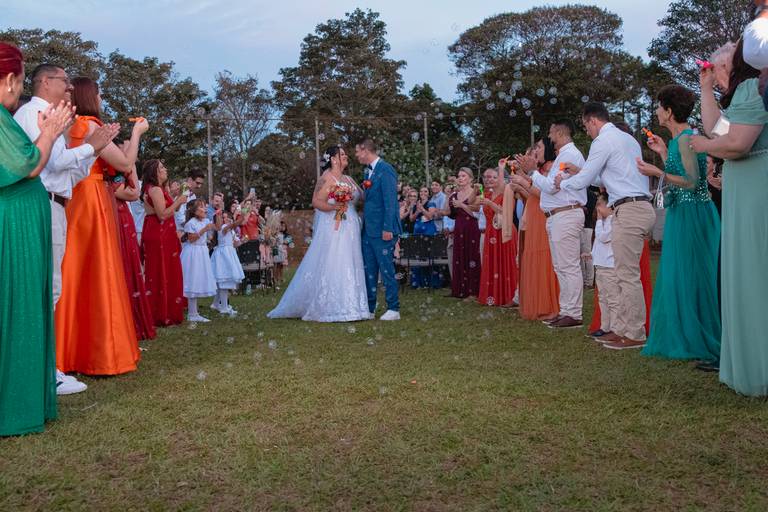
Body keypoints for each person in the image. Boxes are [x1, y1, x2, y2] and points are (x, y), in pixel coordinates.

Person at [14, 63, 117, 394]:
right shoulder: (35, 114)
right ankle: (45, 372)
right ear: (45, 83)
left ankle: (47, 367)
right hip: (43, 203)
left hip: (56, 201)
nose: (70, 88)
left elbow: (68, 173)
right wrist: (91, 146)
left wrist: (94, 149)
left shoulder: (50, 116)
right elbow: (53, 164)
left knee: (51, 287)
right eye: (65, 82)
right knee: (47, 287)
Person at [0, 42, 75, 435]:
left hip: (21, 217)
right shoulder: (3, 117)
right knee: (21, 303)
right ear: (11, 79)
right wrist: (49, 132)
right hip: (13, 223)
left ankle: (28, 390)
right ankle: (15, 402)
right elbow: (29, 165)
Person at [690, 41, 768, 396]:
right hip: (745, 189)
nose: (719, 81)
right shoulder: (744, 94)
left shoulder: (752, 88)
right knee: (743, 270)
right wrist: (704, 87)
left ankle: (758, 366)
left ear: (733, 66)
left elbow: (735, 144)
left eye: (719, 72)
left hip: (756, 190)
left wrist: (705, 148)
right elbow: (717, 128)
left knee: (755, 271)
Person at [55, 77, 144, 376]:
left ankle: (65, 351)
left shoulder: (69, 126)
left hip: (73, 198)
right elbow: (124, 163)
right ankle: (99, 352)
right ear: (90, 96)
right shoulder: (90, 126)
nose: (102, 97)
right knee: (97, 270)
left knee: (72, 271)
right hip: (92, 200)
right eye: (100, 93)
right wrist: (137, 134)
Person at [556, 102, 655, 349]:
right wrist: (582, 172)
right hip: (636, 205)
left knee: (626, 275)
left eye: (586, 126)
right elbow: (609, 177)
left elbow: (586, 180)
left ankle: (634, 333)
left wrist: (563, 184)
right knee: (623, 273)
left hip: (629, 208)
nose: (587, 132)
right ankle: (620, 328)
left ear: (592, 121)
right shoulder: (627, 139)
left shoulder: (602, 141)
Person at [636, 84, 721, 363]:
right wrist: (662, 153)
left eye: (660, 106)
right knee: (683, 274)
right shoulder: (678, 140)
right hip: (684, 213)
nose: (657, 111)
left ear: (669, 111)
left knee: (694, 275)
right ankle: (685, 332)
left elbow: (691, 181)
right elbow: (682, 171)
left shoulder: (686, 138)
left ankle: (698, 336)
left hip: (694, 215)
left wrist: (657, 171)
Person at [268, 146, 370, 321]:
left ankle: (354, 306)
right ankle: (332, 306)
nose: (346, 156)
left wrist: (369, 185)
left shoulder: (349, 179)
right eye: (342, 154)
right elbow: (316, 201)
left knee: (350, 261)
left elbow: (362, 196)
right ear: (333, 159)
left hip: (351, 227)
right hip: (334, 228)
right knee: (336, 260)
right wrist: (334, 207)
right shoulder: (326, 178)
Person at [525, 119, 587, 328]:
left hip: (566, 214)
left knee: (568, 266)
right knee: (561, 266)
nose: (549, 138)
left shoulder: (569, 154)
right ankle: (566, 310)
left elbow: (551, 187)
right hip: (556, 215)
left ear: (559, 133)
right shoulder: (564, 155)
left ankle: (574, 313)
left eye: (551, 133)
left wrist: (532, 171)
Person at [509, 140, 560, 321]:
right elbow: (532, 193)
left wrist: (523, 180)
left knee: (545, 259)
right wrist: (521, 182)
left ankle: (548, 305)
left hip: (543, 216)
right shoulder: (539, 171)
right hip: (532, 215)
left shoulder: (553, 167)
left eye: (539, 147)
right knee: (532, 258)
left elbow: (545, 193)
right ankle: (537, 303)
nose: (536, 150)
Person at [356, 139, 402, 320]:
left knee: (386, 269)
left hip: (383, 229)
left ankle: (394, 308)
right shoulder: (368, 172)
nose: (356, 155)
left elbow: (390, 201)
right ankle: (370, 307)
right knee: (369, 270)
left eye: (358, 152)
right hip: (368, 230)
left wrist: (388, 227)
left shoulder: (386, 170)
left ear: (366, 150)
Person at [112, 159, 156, 341]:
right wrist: (129, 165)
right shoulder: (115, 172)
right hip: (119, 219)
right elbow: (133, 193)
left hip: (126, 220)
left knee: (133, 271)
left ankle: (131, 317)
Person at [142, 159, 187, 326]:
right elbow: (162, 214)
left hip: (163, 233)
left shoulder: (159, 189)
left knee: (166, 272)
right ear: (155, 172)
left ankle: (166, 311)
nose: (165, 169)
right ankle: (161, 314)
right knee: (160, 273)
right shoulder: (154, 190)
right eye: (161, 167)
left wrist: (174, 195)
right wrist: (178, 201)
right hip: (158, 233)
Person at [477, 167, 517, 307]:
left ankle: (508, 295)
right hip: (490, 232)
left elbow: (506, 211)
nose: (490, 180)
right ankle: (493, 294)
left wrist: (490, 204)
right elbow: (472, 205)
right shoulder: (486, 194)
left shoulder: (508, 192)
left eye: (494, 177)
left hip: (503, 230)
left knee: (505, 262)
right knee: (492, 262)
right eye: (487, 177)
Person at [441, 167, 481, 299]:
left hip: (472, 228)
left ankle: (473, 291)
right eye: (459, 176)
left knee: (472, 257)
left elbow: (476, 213)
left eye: (463, 176)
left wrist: (461, 205)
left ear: (470, 178)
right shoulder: (454, 195)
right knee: (459, 258)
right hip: (459, 228)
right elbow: (447, 212)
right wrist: (448, 196)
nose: (460, 178)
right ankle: (459, 289)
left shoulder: (476, 192)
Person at [181, 199, 220, 322]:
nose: (204, 209)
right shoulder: (190, 223)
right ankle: (192, 313)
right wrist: (204, 229)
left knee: (198, 279)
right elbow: (191, 239)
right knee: (192, 280)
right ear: (194, 211)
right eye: (201, 207)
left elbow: (218, 227)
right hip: (193, 253)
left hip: (202, 252)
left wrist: (218, 212)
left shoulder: (206, 220)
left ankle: (194, 313)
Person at [590, 192, 619, 341]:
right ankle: (605, 326)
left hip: (609, 266)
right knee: (603, 298)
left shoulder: (613, 220)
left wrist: (599, 221)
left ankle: (615, 328)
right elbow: (598, 244)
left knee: (613, 298)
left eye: (600, 204)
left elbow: (603, 237)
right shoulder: (604, 221)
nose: (597, 208)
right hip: (600, 265)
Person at [211, 210, 246, 315]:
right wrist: (243, 215)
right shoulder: (223, 228)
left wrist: (242, 241)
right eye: (223, 217)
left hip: (229, 253)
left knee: (222, 281)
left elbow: (234, 245)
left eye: (226, 217)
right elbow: (236, 223)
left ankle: (216, 303)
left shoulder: (230, 230)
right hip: (223, 256)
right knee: (224, 281)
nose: (225, 219)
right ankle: (224, 307)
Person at [411, 186, 440, 289]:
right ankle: (418, 282)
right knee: (418, 256)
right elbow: (411, 218)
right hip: (417, 231)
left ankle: (432, 282)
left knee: (429, 256)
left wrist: (422, 209)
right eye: (421, 191)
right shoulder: (415, 204)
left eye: (425, 191)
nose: (423, 193)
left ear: (428, 193)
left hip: (428, 231)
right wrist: (417, 210)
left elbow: (430, 216)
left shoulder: (431, 203)